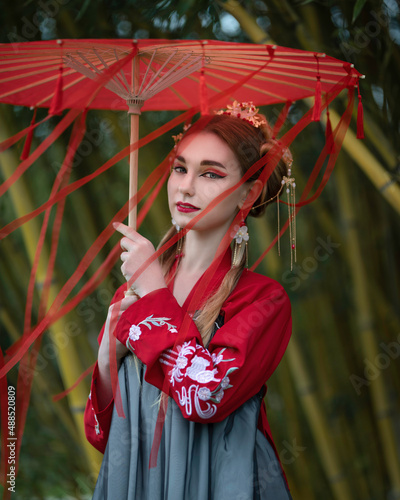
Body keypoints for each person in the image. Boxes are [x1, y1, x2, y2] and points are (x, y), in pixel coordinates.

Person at [84, 101, 293, 499]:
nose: (186, 186)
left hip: (218, 483)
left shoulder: (263, 301)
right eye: (180, 168)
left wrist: (155, 294)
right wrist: (107, 362)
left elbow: (206, 399)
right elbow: (102, 434)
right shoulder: (132, 293)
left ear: (248, 193)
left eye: (209, 174)